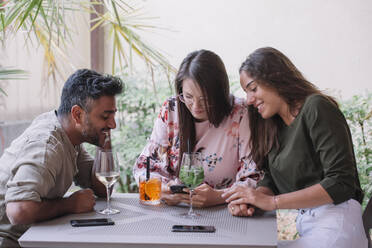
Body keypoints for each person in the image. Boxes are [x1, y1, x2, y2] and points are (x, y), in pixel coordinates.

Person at [222, 47, 367, 247]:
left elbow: (341, 182)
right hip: (289, 219)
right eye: (246, 92)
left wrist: (271, 203)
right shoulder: (271, 125)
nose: (249, 100)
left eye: (253, 89)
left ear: (275, 78)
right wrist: (254, 200)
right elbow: (271, 179)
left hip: (332, 213)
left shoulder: (316, 107)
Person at [0, 69, 123, 247]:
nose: (113, 124)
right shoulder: (47, 146)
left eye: (113, 115)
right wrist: (70, 204)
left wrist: (105, 137)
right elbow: (18, 211)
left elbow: (103, 188)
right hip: (10, 241)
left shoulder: (70, 137)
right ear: (77, 115)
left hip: (34, 236)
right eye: (105, 116)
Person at [133, 50, 262, 208]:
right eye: (188, 97)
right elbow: (146, 166)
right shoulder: (172, 109)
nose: (195, 107)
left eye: (204, 99)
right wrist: (162, 189)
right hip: (177, 211)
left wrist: (218, 197)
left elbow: (253, 177)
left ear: (220, 93)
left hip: (226, 211)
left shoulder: (240, 113)